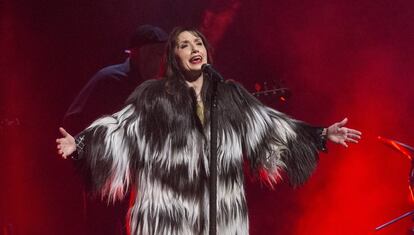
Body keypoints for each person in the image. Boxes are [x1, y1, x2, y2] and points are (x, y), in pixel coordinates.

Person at [56, 26, 362, 235]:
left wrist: (319, 134)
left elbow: (262, 124)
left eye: (198, 43)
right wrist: (80, 147)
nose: (192, 50)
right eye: (181, 46)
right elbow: (116, 128)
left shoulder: (203, 92)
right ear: (135, 54)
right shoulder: (121, 85)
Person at [62, 25, 168, 235]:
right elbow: (71, 122)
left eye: (163, 54)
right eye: (155, 53)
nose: (161, 61)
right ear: (137, 54)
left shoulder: (153, 88)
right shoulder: (109, 79)